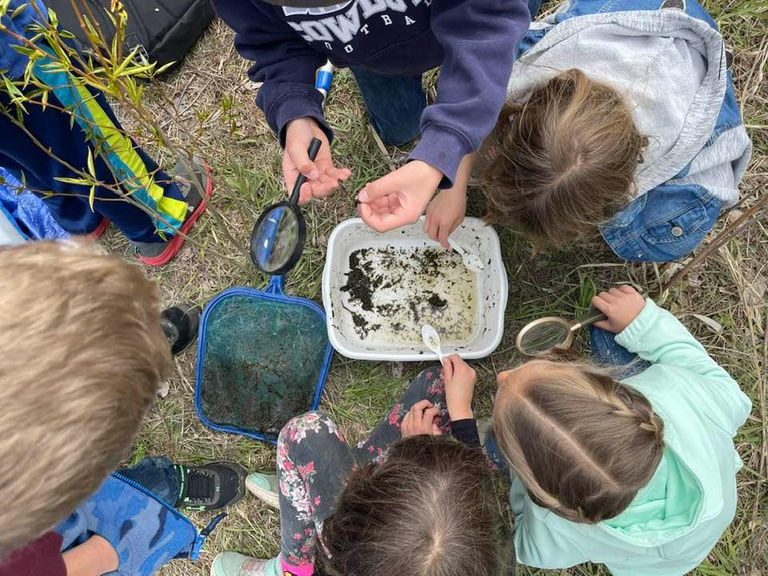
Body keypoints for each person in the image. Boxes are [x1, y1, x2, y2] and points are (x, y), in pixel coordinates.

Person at [425, 0, 752, 260]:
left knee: (665, 231)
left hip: (690, 71)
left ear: (625, 186)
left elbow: (716, 188)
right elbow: (472, 101)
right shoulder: (525, 62)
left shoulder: (683, 146)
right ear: (525, 110)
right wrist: (454, 186)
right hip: (627, 10)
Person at [0, 240, 246, 576]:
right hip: (71, 552)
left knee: (113, 356)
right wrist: (105, 554)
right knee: (129, 499)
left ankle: (129, 350)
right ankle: (166, 484)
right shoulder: (24, 549)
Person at [487, 284, 752, 575]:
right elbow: (737, 400)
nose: (503, 375)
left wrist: (526, 494)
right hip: (697, 532)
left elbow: (524, 549)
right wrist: (642, 322)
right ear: (600, 381)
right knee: (607, 329)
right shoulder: (677, 391)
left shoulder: (556, 526)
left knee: (489, 443)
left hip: (651, 562)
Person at [210, 0, 534, 233]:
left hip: (477, 20)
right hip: (371, 55)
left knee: (494, 81)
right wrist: (295, 113)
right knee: (400, 128)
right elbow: (274, 43)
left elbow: (486, 23)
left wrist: (445, 149)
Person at [211, 356, 514, 576]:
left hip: (347, 545)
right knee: (439, 386)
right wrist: (460, 415)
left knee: (307, 433)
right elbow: (480, 483)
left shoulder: (351, 552)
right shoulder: (494, 554)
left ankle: (293, 564)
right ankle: (308, 493)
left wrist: (414, 448)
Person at [0, 0, 212, 266]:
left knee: (26, 150)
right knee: (87, 131)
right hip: (17, 54)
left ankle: (80, 214)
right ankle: (158, 218)